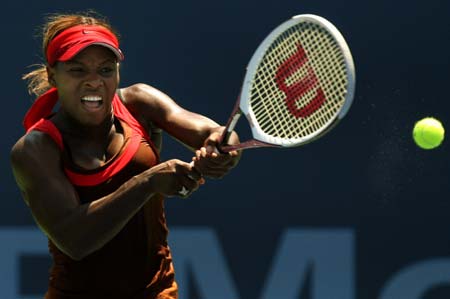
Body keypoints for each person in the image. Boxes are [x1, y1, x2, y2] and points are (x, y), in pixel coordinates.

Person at [10, 11, 240, 299]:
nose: (94, 82)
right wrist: (147, 182)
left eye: (106, 70)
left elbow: (214, 133)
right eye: (78, 70)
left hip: (156, 292)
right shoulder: (35, 149)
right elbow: (74, 239)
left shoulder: (139, 103)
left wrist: (221, 148)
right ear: (52, 74)